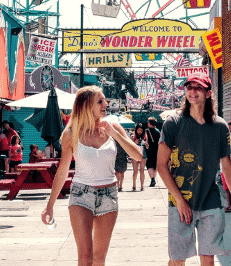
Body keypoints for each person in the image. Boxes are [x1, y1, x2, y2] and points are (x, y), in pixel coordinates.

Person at [41, 86, 143, 266]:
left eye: (104, 100)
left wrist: (115, 135)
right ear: (86, 106)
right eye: (100, 101)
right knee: (85, 257)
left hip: (108, 196)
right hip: (81, 195)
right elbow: (63, 169)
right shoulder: (71, 133)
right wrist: (50, 205)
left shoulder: (113, 126)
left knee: (98, 259)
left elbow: (138, 155)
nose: (106, 104)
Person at [157, 74, 231, 266]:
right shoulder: (173, 123)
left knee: (208, 258)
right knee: (177, 259)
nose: (193, 91)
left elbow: (227, 166)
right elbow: (161, 166)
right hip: (180, 200)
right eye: (189, 87)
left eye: (198, 87)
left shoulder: (220, 126)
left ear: (208, 93)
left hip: (210, 201)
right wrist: (179, 201)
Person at [144, 117, 161, 187]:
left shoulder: (146, 131)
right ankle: (153, 178)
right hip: (157, 150)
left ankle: (152, 179)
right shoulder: (158, 131)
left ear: (149, 123)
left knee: (149, 165)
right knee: (154, 165)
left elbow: (144, 140)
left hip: (149, 150)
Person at [131, 123, 147, 191]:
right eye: (138, 130)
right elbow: (130, 145)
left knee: (142, 170)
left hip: (143, 154)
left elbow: (147, 146)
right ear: (136, 129)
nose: (140, 132)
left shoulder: (145, 136)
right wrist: (135, 143)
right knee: (135, 171)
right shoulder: (133, 135)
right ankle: (134, 185)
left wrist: (146, 144)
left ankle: (142, 186)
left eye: (141, 130)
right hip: (135, 154)